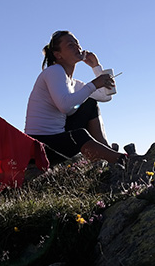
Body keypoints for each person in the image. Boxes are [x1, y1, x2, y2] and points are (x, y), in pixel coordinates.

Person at [25, 30, 127, 166]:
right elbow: (65, 106)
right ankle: (121, 160)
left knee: (90, 104)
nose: (77, 47)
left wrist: (95, 66)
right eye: (70, 45)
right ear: (58, 55)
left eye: (77, 44)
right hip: (40, 145)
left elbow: (105, 96)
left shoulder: (73, 83)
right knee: (79, 135)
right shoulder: (54, 71)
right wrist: (94, 84)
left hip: (58, 138)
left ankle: (107, 152)